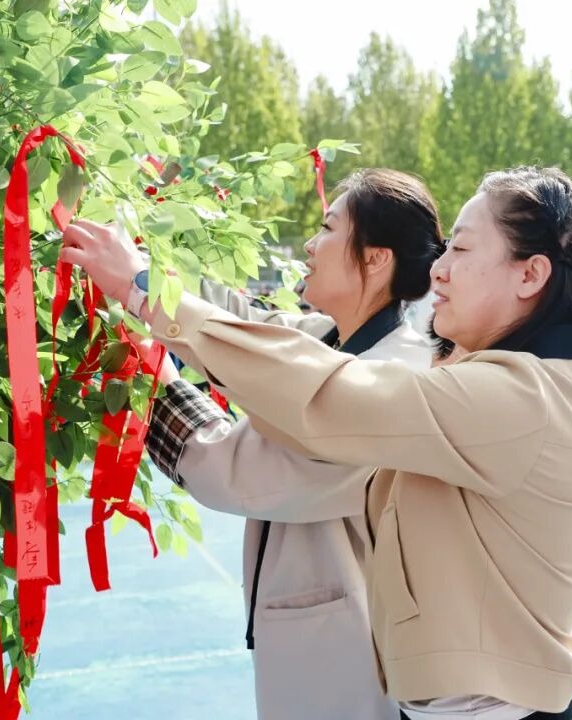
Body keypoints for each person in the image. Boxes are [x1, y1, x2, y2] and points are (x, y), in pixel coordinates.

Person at [63, 165, 572, 720]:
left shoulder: (513, 398)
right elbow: (268, 333)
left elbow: (321, 396)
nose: (440, 270)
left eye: (463, 249)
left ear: (530, 274)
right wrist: (142, 273)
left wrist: (142, 295)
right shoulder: (489, 374)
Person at [133, 170, 442, 720]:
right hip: (320, 641)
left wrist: (151, 381)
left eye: (328, 228)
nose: (310, 245)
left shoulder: (396, 376)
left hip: (354, 661)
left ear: (375, 258)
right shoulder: (329, 337)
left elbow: (237, 470)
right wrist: (139, 265)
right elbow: (242, 325)